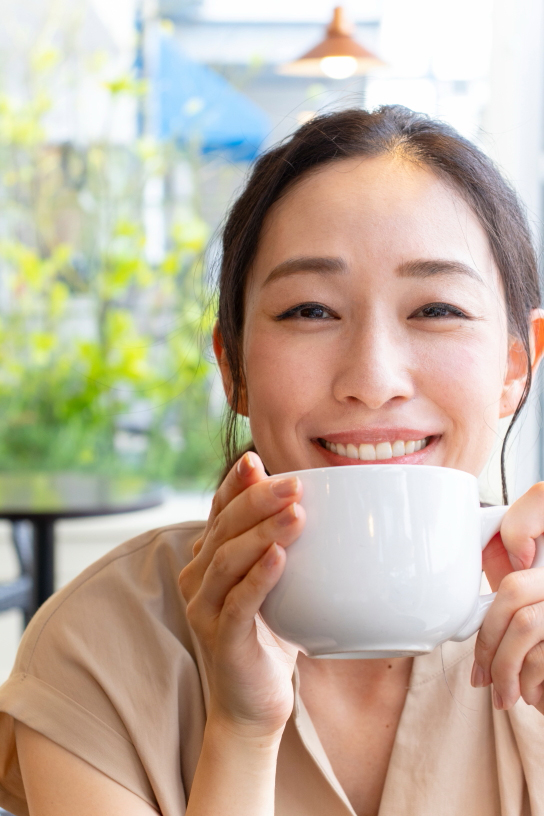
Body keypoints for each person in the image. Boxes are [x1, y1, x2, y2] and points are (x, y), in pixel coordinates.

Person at [1, 105, 544, 816]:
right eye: (310, 311)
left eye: (436, 309)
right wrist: (242, 731)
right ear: (234, 370)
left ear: (515, 364)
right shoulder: (97, 647)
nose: (373, 378)